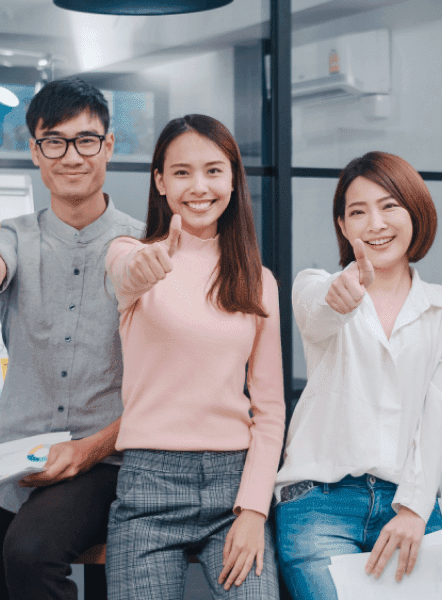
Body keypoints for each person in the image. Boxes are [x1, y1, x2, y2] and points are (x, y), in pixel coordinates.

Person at [0, 78, 143, 600]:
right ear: (35, 150)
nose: (70, 155)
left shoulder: (145, 245)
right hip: (14, 458)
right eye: (53, 141)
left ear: (109, 146)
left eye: (86, 140)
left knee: (31, 553)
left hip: (105, 457)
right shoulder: (11, 234)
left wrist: (86, 451)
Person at [104, 114, 283, 600]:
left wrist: (253, 511)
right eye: (181, 172)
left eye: (213, 170)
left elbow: (269, 410)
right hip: (148, 488)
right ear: (160, 182)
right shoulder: (129, 252)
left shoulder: (258, 279)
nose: (198, 186)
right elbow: (125, 275)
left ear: (232, 180)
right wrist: (144, 267)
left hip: (233, 488)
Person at [274, 151, 442, 600]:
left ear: (415, 212)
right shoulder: (315, 283)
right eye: (358, 212)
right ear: (343, 227)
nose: (375, 223)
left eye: (389, 206)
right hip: (319, 505)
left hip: (410, 504)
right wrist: (339, 297)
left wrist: (415, 510)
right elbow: (318, 313)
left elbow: (439, 416)